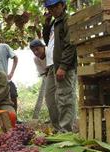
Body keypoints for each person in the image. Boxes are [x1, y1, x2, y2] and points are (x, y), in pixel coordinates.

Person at [42, 0, 77, 132]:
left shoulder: (68, 20)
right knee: (50, 99)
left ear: (62, 5)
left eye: (53, 7)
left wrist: (63, 66)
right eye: (49, 8)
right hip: (52, 66)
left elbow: (70, 44)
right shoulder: (53, 23)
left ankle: (66, 131)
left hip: (63, 66)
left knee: (65, 98)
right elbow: (47, 42)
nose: (51, 10)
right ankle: (58, 129)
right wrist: (46, 24)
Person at [29, 39, 59, 129]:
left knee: (60, 97)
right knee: (49, 98)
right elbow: (44, 72)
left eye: (37, 49)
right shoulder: (36, 59)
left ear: (43, 47)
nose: (36, 52)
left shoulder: (51, 51)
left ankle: (65, 124)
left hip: (57, 70)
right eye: (33, 50)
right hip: (48, 74)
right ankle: (56, 125)